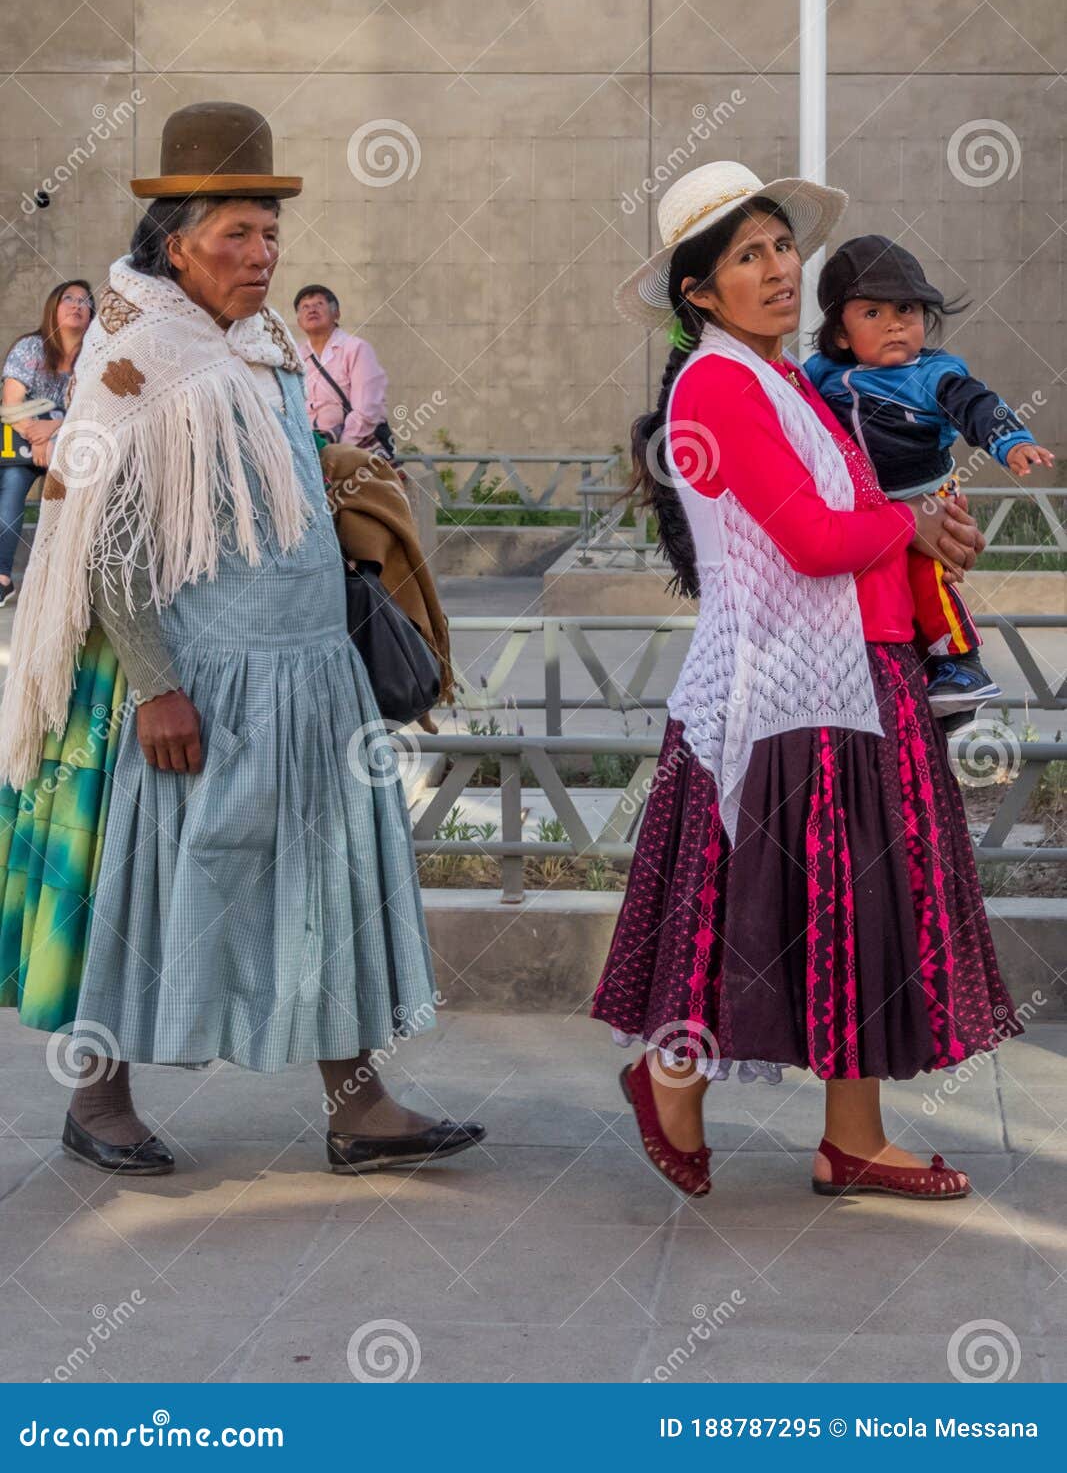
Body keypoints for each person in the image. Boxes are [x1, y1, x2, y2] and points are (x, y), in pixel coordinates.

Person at [0, 101, 484, 1179]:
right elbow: (102, 539)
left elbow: (274, 473)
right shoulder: (135, 355)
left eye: (270, 232)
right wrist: (157, 684)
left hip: (307, 669)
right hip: (200, 679)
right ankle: (99, 1097)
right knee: (154, 881)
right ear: (175, 242)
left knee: (326, 877)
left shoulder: (262, 346)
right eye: (236, 234)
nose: (262, 256)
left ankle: (359, 1106)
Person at [590, 160, 1021, 1202]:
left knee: (842, 905)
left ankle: (846, 1133)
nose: (781, 268)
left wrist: (925, 534)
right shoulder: (717, 385)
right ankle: (672, 1080)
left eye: (782, 244)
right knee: (773, 902)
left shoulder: (778, 378)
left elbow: (857, 520)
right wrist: (902, 525)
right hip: (786, 690)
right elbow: (811, 539)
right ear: (698, 291)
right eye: (748, 255)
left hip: (845, 675)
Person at [805, 235, 1055, 717]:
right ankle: (930, 685)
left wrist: (1011, 441)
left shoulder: (934, 375)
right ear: (840, 333)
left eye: (907, 308)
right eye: (872, 314)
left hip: (927, 497)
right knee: (885, 588)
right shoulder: (820, 373)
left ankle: (963, 662)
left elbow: (977, 405)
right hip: (870, 509)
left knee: (927, 576)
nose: (895, 323)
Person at [0, 280, 94, 606]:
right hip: (24, 440)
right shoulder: (31, 347)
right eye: (68, 298)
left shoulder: (97, 355)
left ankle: (67, 581)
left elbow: (100, 408)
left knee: (73, 491)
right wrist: (38, 434)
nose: (77, 305)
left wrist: (55, 428)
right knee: (11, 486)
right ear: (54, 307)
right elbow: (11, 404)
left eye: (84, 300)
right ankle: (1, 578)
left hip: (73, 442)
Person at [292, 284, 393, 457]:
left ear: (336, 313)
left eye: (319, 304)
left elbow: (367, 410)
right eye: (305, 307)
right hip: (313, 450)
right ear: (299, 321)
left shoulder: (356, 348)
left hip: (355, 448)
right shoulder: (296, 358)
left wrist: (340, 448)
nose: (312, 310)